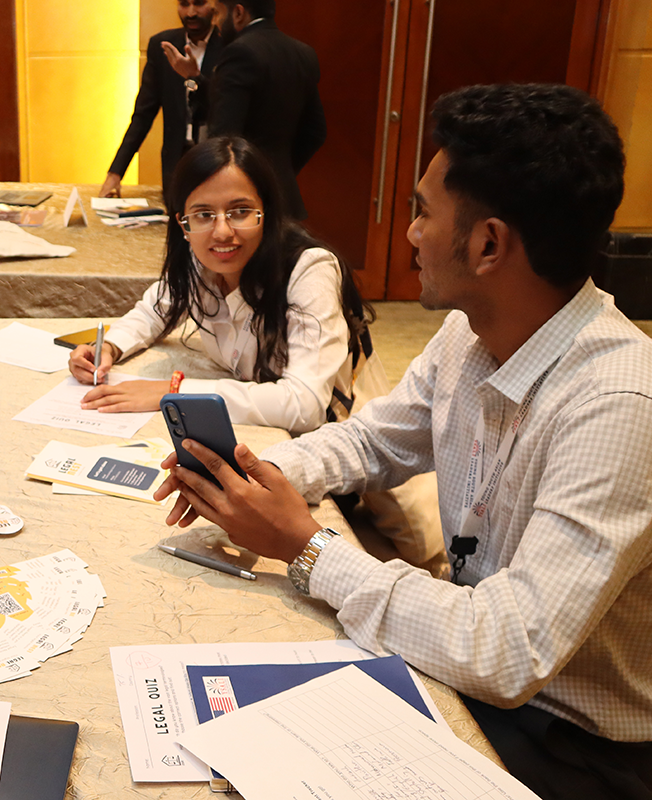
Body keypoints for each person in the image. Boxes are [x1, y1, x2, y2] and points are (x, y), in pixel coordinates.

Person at [155, 84, 652, 798]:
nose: (411, 233)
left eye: (423, 212)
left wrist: (308, 548)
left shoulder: (619, 405)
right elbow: (369, 441)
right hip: (474, 671)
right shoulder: (469, 335)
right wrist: (250, 474)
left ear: (488, 244)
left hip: (566, 741)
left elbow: (506, 651)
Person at [71, 136, 370, 434]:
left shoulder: (308, 270)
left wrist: (176, 392)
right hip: (258, 430)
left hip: (335, 439)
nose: (222, 232)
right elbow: (153, 311)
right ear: (183, 224)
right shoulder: (199, 256)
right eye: (203, 215)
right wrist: (108, 348)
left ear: (265, 212)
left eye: (240, 211)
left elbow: (304, 406)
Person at [167, 0, 325, 219]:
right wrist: (282, 169)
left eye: (220, 14)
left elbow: (223, 138)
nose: (218, 24)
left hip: (244, 206)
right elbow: (316, 131)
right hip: (287, 198)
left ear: (239, 13)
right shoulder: (303, 52)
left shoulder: (239, 52)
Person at [100, 0, 224, 199]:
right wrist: (116, 173)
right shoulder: (163, 46)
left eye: (199, 3)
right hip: (176, 162)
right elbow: (143, 114)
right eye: (184, 4)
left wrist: (195, 78)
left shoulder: (230, 46)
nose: (191, 12)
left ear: (213, 6)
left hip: (216, 162)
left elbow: (222, 106)